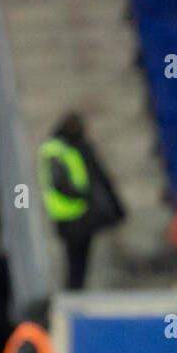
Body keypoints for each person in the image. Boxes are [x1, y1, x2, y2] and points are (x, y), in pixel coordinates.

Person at [38, 112, 127, 290]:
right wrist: (83, 194)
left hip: (80, 212)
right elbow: (59, 182)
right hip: (69, 213)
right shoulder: (56, 149)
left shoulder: (75, 146)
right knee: (75, 259)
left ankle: (76, 293)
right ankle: (73, 294)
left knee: (80, 258)